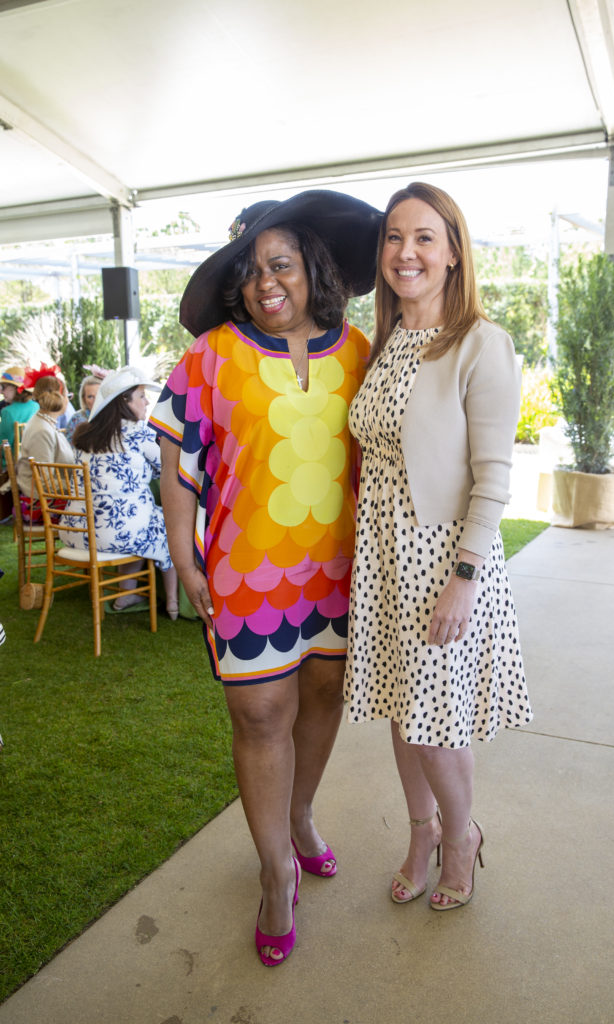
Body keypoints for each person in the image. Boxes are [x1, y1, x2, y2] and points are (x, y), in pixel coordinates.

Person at [151, 189, 381, 966]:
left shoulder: (356, 351)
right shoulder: (212, 353)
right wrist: (183, 555)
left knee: (322, 701)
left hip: (343, 575)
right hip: (248, 577)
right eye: (250, 272)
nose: (263, 282)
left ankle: (301, 815)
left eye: (278, 263)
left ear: (312, 267)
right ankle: (275, 872)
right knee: (258, 720)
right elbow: (177, 460)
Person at [344, 182, 532, 913]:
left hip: (441, 560)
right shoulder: (386, 344)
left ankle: (461, 836)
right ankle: (421, 832)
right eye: (394, 238)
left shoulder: (481, 344)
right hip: (384, 558)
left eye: (424, 237)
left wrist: (463, 578)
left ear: (453, 253)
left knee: (435, 718)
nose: (406, 252)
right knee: (402, 705)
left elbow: (493, 479)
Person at [60, 366, 179, 617]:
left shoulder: (85, 434)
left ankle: (127, 594)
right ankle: (173, 603)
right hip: (115, 535)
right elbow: (168, 469)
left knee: (139, 518)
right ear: (124, 401)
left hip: (76, 532)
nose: (147, 402)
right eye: (141, 396)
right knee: (167, 525)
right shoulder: (139, 433)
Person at [16, 365, 75, 516]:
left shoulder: (45, 424)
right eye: (68, 396)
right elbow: (45, 483)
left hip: (48, 499)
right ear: (59, 397)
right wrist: (79, 486)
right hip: (42, 504)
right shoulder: (41, 430)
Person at [0, 366, 38, 468]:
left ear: (16, 388)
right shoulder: (37, 406)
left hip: (11, 466)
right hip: (35, 462)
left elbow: (3, 447)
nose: (1, 392)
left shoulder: (8, 412)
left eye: (3, 387)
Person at [65, 368, 107, 445]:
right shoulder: (76, 420)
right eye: (90, 396)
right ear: (84, 399)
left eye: (98, 396)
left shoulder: (115, 417)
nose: (95, 400)